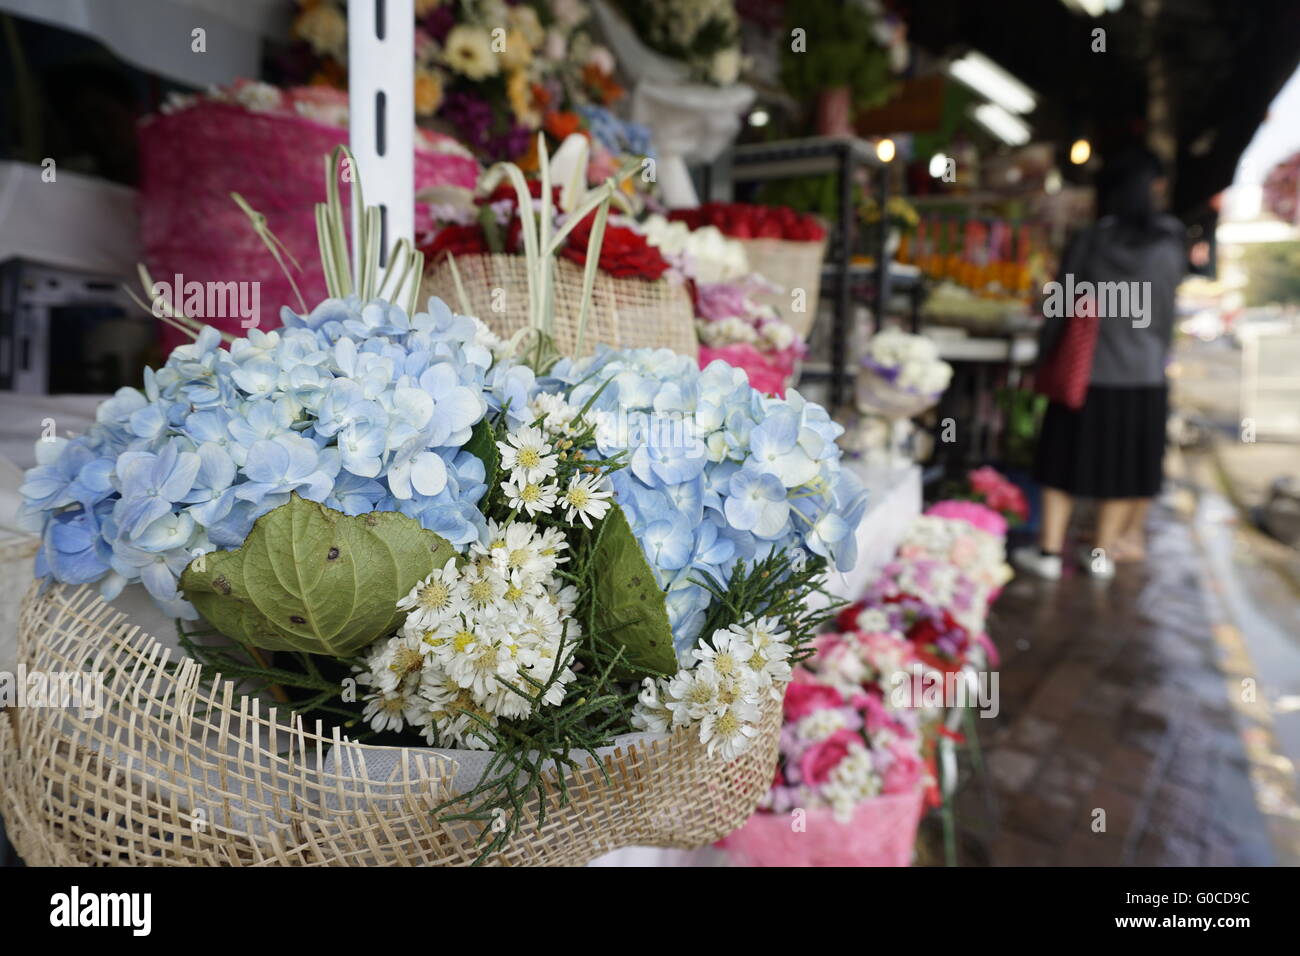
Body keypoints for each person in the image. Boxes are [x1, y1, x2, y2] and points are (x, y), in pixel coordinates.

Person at [1013, 146, 1187, 580]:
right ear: (1151, 190)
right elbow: (1165, 316)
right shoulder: (1168, 244)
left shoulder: (1091, 240)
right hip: (1144, 374)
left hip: (1084, 373)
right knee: (1124, 467)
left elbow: (1059, 305)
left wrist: (1042, 358)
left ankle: (1050, 554)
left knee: (1061, 461)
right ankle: (1100, 556)